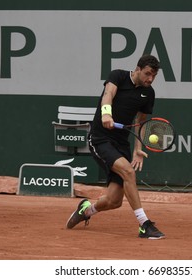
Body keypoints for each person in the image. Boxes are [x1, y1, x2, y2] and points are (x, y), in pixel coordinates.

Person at [65, 54, 165, 239]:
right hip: (100, 139)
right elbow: (108, 94)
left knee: (114, 201)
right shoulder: (118, 76)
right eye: (148, 74)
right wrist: (106, 114)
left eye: (154, 76)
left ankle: (87, 210)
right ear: (138, 69)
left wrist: (137, 149)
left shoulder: (148, 93)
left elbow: (141, 122)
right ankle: (145, 224)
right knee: (128, 172)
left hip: (121, 144)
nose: (150, 79)